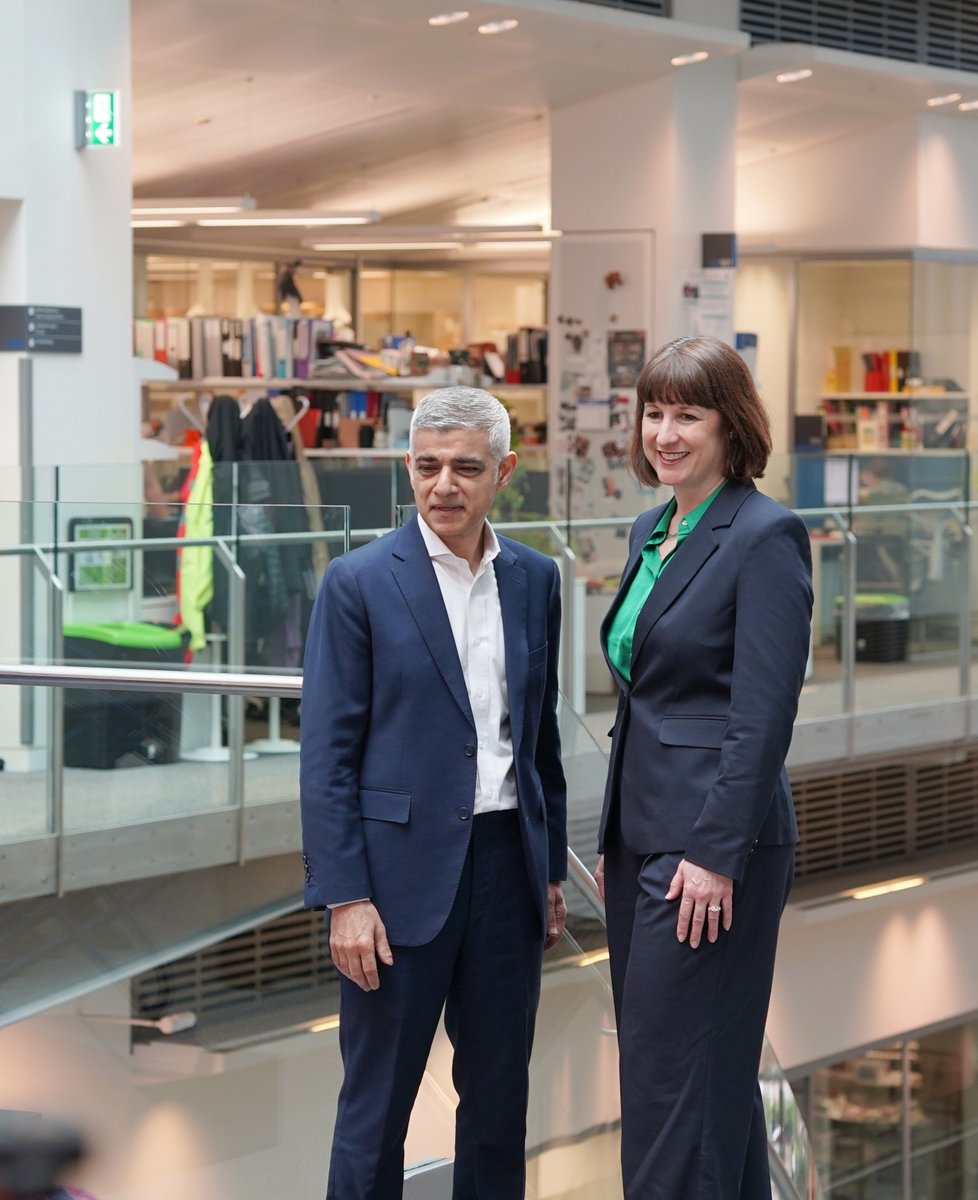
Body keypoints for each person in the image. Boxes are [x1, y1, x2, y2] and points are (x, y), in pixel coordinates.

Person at [300, 385, 568, 1200]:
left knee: (497, 1106)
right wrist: (345, 895)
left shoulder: (535, 578)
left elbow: (538, 739)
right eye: (426, 466)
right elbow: (327, 755)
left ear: (505, 472)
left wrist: (548, 870)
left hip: (504, 873)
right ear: (406, 468)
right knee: (375, 1107)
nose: (442, 485)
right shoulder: (358, 582)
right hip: (395, 883)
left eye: (464, 467)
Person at [595, 336, 813, 1200]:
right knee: (689, 1081)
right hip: (643, 837)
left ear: (733, 424)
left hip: (711, 852)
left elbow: (762, 717)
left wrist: (717, 852)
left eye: (689, 412)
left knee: (672, 1084)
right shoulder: (656, 528)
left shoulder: (763, 535)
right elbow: (646, 694)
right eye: (654, 412)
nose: (666, 432)